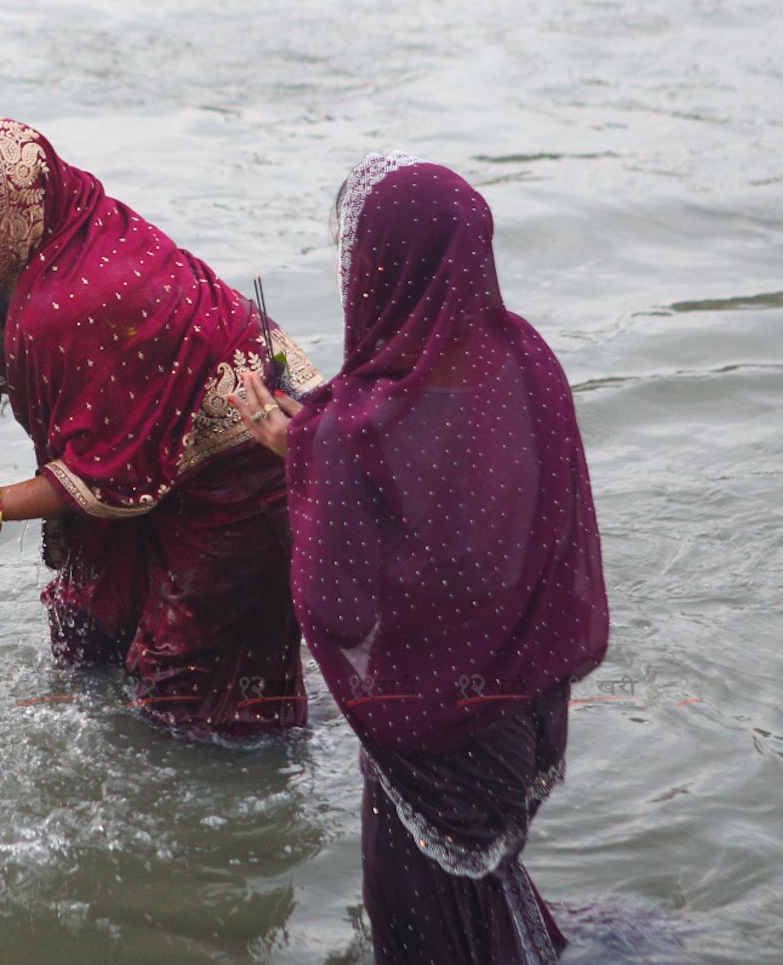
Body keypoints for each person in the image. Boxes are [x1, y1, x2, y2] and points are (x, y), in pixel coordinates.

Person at [228, 152, 609, 963]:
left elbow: (346, 596)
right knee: (478, 887)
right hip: (518, 709)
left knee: (424, 916)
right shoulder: (528, 360)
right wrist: (316, 438)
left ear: (384, 271)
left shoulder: (363, 422)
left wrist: (296, 447)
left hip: (434, 731)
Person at [0, 118, 324, 738]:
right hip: (161, 454)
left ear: (5, 225)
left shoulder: (79, 298)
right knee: (93, 647)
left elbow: (94, 480)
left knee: (198, 709)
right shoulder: (63, 222)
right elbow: (48, 357)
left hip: (243, 471)